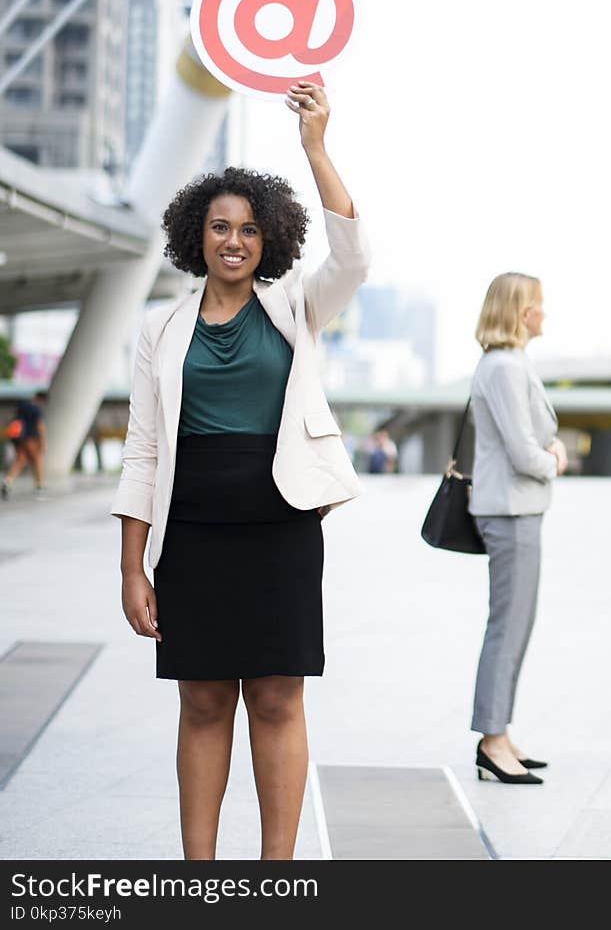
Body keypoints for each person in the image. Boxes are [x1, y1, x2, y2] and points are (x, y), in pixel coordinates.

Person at [111, 81, 370, 859]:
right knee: (201, 701)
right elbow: (142, 448)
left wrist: (315, 147)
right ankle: (200, 876)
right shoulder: (159, 327)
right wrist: (133, 565)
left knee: (278, 698)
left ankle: (275, 874)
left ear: (269, 240)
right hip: (192, 533)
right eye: (220, 227)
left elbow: (354, 254)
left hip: (281, 528)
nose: (234, 240)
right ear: (197, 235)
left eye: (249, 229)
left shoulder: (296, 305)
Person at [468, 273, 567, 785]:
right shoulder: (505, 367)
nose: (544, 311)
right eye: (538, 303)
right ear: (520, 310)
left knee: (515, 624)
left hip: (516, 509)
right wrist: (555, 459)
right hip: (510, 510)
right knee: (508, 626)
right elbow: (523, 451)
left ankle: (500, 734)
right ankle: (491, 740)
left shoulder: (510, 363)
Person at [2, 390, 48, 499]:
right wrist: (43, 441)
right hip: (31, 437)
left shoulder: (22, 406)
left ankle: (8, 480)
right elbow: (39, 425)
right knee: (37, 459)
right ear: (41, 399)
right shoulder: (37, 409)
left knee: (21, 459)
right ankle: (39, 485)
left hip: (18, 437)